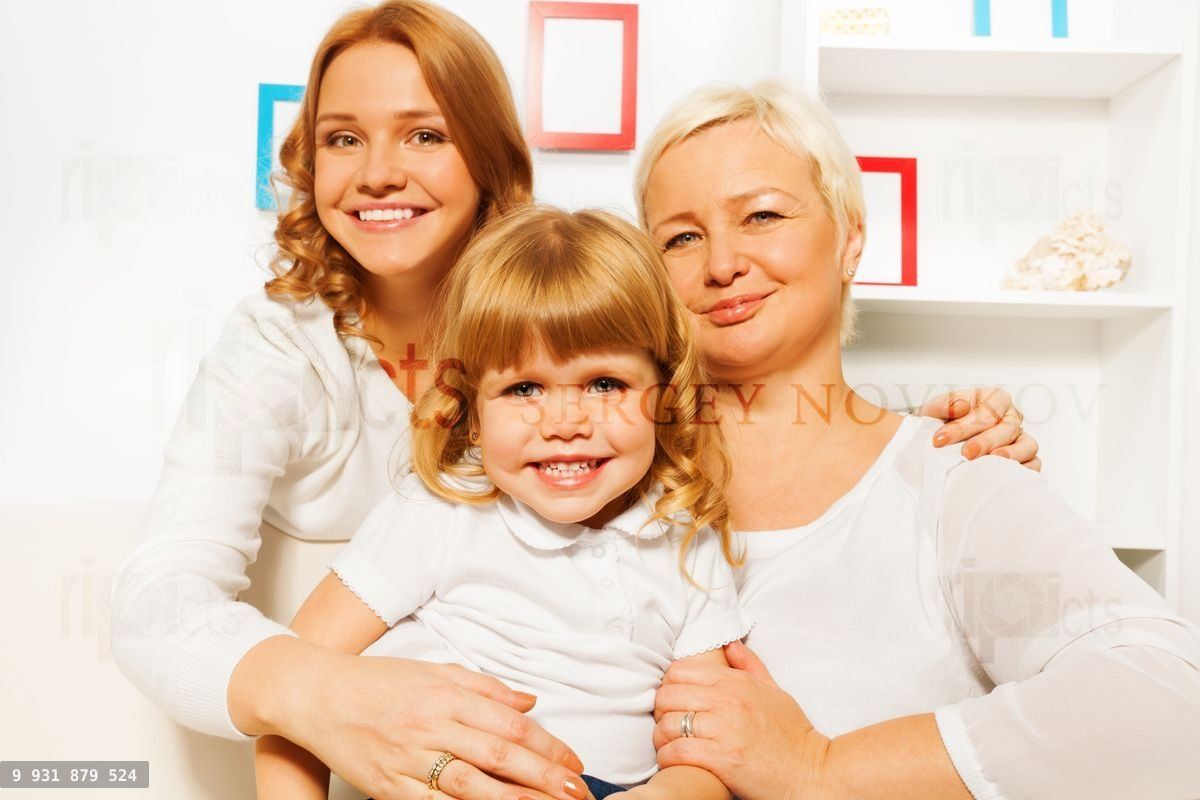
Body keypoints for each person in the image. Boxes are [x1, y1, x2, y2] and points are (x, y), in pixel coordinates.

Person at [109, 3, 1039, 798]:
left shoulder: (628, 394)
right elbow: (163, 605)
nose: (379, 171)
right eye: (341, 138)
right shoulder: (294, 367)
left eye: (426, 133)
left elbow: (775, 387)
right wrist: (328, 698)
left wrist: (948, 437)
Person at [635, 81, 1200, 800]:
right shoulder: (586, 484)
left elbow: (1172, 703)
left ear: (850, 239)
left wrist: (819, 768)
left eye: (763, 215)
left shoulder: (956, 475)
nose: (721, 264)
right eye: (681, 237)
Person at [255, 205, 746, 800]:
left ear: (663, 398)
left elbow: (706, 751)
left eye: (604, 384)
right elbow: (295, 684)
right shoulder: (443, 511)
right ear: (473, 416)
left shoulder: (685, 535)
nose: (566, 422)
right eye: (524, 388)